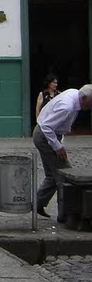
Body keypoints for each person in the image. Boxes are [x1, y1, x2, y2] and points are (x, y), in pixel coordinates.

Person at [34, 83, 92, 221]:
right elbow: (48, 126)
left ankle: (37, 204)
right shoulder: (67, 107)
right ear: (84, 99)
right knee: (66, 175)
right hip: (46, 136)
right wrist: (58, 147)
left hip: (46, 134)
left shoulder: (74, 94)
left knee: (53, 176)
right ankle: (66, 214)